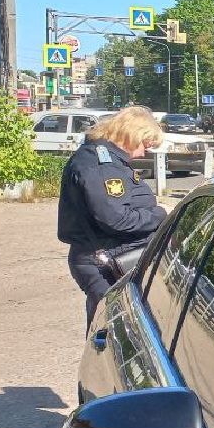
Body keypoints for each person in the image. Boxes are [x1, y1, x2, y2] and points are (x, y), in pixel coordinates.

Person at [57, 106, 168, 329]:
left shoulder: (104, 159)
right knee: (110, 329)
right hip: (104, 262)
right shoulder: (102, 166)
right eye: (145, 144)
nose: (144, 153)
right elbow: (117, 219)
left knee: (111, 324)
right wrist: (160, 214)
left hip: (107, 256)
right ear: (131, 135)